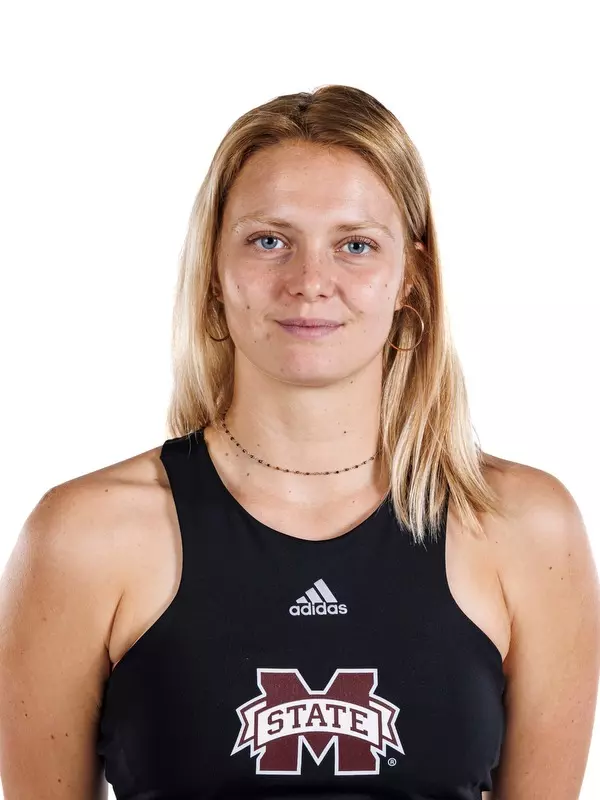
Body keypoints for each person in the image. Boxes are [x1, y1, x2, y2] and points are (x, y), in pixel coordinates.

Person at [0, 85, 598, 800]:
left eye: (355, 245)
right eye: (269, 240)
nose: (311, 282)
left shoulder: (525, 530)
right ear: (214, 272)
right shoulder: (83, 538)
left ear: (411, 277)